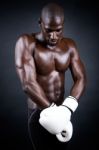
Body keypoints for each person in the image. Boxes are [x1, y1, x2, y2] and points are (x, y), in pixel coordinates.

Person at [15, 3, 86, 150]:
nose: (53, 36)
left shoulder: (70, 46)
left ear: (63, 25)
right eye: (49, 31)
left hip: (63, 111)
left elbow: (81, 78)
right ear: (40, 23)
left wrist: (67, 108)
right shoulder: (27, 43)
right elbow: (28, 83)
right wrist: (52, 111)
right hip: (39, 113)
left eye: (58, 31)